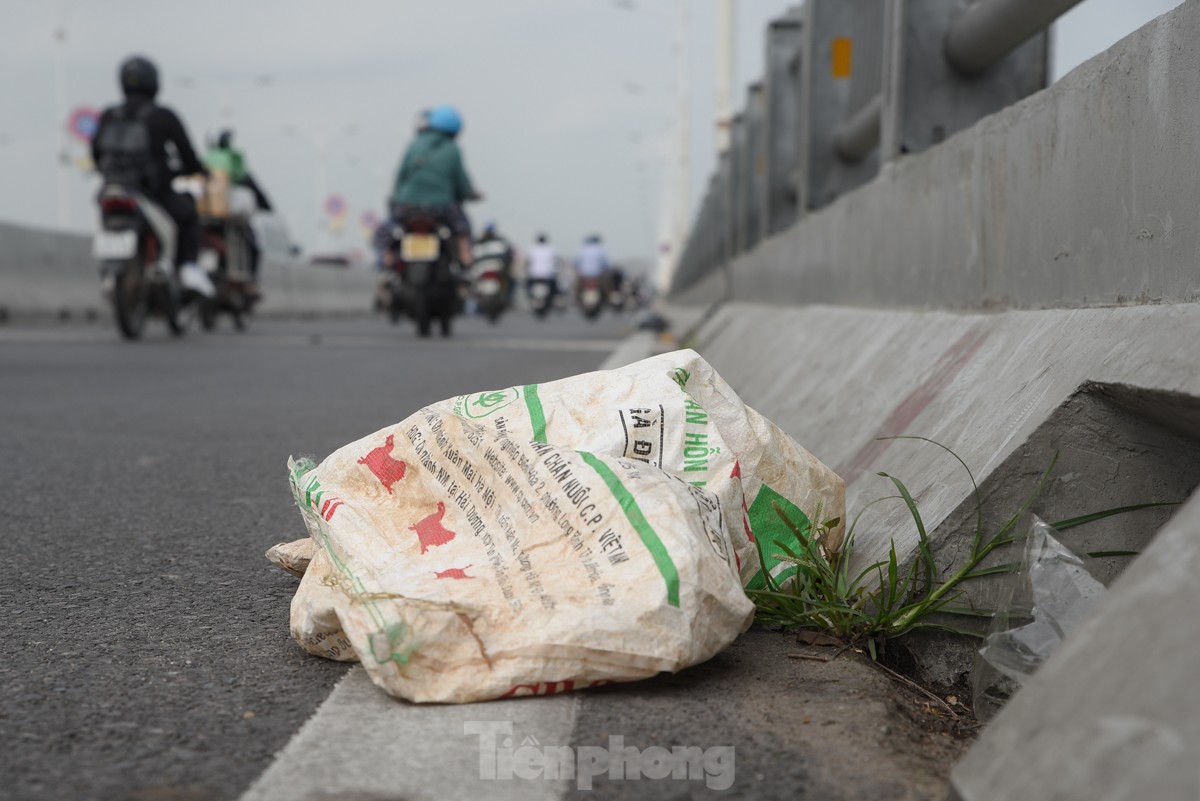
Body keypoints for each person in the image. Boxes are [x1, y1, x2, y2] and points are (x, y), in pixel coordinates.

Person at [92, 55, 211, 296]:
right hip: (152, 191)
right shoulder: (162, 115)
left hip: (111, 187)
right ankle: (188, 269)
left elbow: (96, 153)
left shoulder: (108, 115)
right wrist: (196, 171)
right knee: (189, 217)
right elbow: (187, 155)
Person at [390, 104, 481, 267]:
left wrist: (397, 200)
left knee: (389, 234)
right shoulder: (453, 149)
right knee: (463, 232)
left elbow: (401, 177)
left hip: (406, 206)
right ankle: (466, 264)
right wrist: (470, 194)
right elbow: (461, 183)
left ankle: (386, 266)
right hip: (441, 208)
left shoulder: (415, 144)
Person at [203, 129, 272, 287]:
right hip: (229, 217)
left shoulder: (206, 160)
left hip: (206, 218)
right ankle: (251, 283)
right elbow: (251, 185)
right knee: (253, 246)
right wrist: (266, 207)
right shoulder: (234, 161)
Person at [526, 233, 559, 303]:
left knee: (528, 286)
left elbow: (528, 262)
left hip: (534, 275)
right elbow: (556, 262)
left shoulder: (533, 249)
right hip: (547, 275)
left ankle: (528, 297)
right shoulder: (550, 249)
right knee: (554, 288)